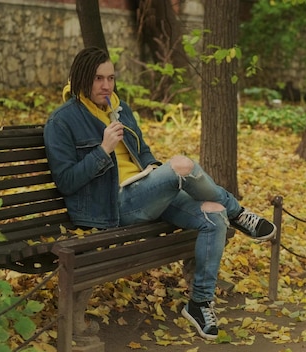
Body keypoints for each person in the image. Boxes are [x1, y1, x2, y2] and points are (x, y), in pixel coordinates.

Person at [43, 47, 276, 340]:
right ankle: (238, 211)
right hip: (110, 205)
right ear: (81, 79)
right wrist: (103, 150)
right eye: (98, 78)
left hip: (144, 190)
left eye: (111, 78)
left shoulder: (119, 107)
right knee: (183, 166)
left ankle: (199, 302)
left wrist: (153, 169)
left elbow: (142, 151)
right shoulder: (62, 120)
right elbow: (66, 181)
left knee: (213, 216)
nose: (106, 85)